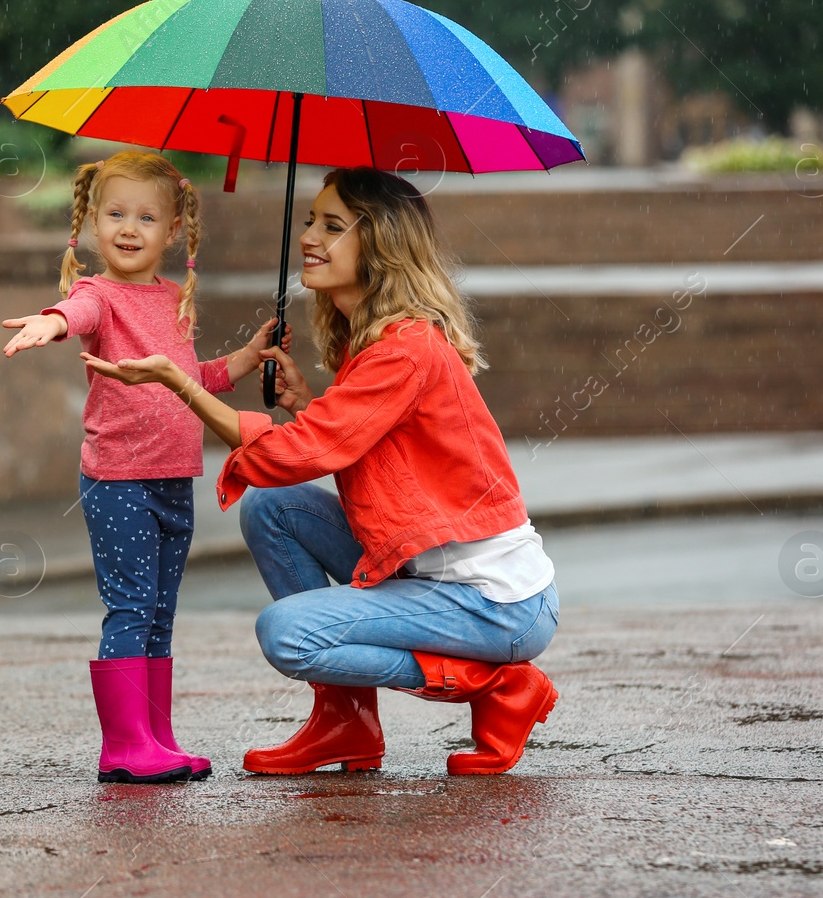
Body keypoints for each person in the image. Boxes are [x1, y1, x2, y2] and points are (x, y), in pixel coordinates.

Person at [81, 166, 559, 777]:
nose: (309, 235)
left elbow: (298, 454)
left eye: (332, 226)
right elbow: (364, 448)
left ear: (380, 246)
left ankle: (496, 685)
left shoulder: (404, 347)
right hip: (425, 568)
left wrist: (181, 384)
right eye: (310, 220)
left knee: (289, 635)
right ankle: (346, 724)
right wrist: (306, 405)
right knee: (271, 508)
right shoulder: (376, 340)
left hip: (494, 604)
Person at [1, 151, 286, 784]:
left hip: (170, 478)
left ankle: (156, 735)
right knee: (130, 608)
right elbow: (76, 314)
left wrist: (244, 357)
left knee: (160, 611)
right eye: (116, 214)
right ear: (91, 222)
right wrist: (50, 322)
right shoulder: (97, 294)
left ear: (174, 229)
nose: (129, 228)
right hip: (118, 479)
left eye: (147, 216)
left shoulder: (170, 300)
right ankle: (123, 745)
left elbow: (193, 382)